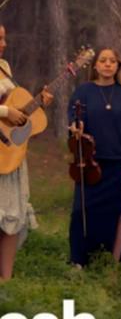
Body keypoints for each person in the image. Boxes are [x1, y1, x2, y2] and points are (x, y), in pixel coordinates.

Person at [68, 47, 121, 266]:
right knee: (81, 211)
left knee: (116, 213)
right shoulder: (83, 92)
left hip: (120, 163)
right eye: (103, 60)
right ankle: (79, 261)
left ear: (118, 66)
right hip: (90, 162)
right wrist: (76, 128)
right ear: (95, 66)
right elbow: (74, 120)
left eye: (112, 61)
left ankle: (115, 263)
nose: (108, 64)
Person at [0, 24, 53, 281]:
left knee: (12, 214)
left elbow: (15, 110)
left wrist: (38, 103)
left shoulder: (4, 68)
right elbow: (7, 111)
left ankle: (6, 279)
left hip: (9, 153)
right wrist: (5, 112)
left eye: (3, 38)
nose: (3, 44)